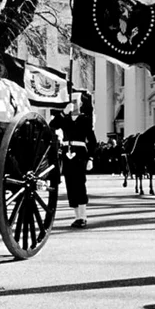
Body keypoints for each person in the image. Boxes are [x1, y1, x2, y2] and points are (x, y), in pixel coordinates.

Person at [50, 91, 97, 228]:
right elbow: (52, 125)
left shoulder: (85, 120)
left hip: (80, 153)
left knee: (80, 183)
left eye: (76, 102)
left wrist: (91, 158)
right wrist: (63, 113)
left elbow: (92, 141)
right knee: (70, 184)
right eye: (72, 102)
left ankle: (83, 216)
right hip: (67, 153)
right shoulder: (64, 119)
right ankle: (77, 217)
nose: (74, 105)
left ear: (81, 104)